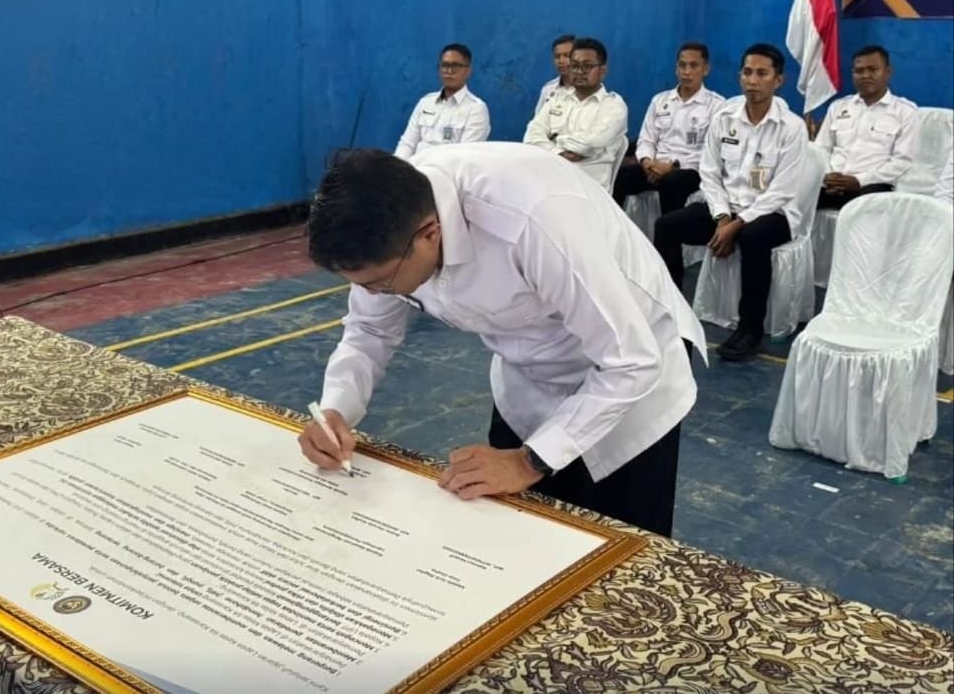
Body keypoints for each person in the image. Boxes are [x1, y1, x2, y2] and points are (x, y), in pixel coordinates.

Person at [299, 142, 706, 537]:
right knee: (518, 537)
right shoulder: (388, 225)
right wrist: (337, 408)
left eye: (381, 284)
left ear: (430, 234)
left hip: (632, 372)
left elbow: (631, 361)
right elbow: (370, 329)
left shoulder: (532, 218)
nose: (372, 294)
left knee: (618, 545)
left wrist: (530, 461)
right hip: (529, 371)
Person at [653, 43, 810, 362]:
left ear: (778, 80)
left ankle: (749, 330)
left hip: (773, 212)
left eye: (762, 73)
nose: (753, 80)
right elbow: (709, 172)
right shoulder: (725, 117)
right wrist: (723, 217)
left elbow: (782, 190)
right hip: (725, 209)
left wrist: (738, 224)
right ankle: (672, 313)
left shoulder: (791, 127)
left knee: (753, 237)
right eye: (747, 72)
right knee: (666, 226)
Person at [612, 43, 725, 215]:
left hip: (690, 170)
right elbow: (646, 139)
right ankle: (615, 228)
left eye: (693, 66)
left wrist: (673, 166)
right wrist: (647, 163)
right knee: (622, 176)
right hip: (654, 166)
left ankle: (665, 231)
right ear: (676, 68)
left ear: (706, 69)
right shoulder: (660, 100)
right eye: (682, 65)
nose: (687, 71)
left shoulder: (717, 105)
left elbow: (710, 152)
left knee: (673, 182)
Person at [814, 46, 919, 209]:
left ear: (888, 72)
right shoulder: (838, 107)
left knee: (865, 205)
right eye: (859, 71)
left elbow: (902, 161)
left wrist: (859, 180)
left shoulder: (905, 111)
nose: (865, 75)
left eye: (873, 69)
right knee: (794, 195)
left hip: (871, 186)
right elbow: (821, 149)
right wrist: (827, 176)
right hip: (831, 183)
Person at [523, 37, 628, 191]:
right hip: (551, 182)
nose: (579, 71)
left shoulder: (614, 106)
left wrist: (554, 139)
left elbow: (586, 145)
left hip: (589, 189)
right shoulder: (556, 99)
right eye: (575, 66)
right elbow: (531, 136)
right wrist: (558, 151)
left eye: (587, 66)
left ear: (602, 71)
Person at [395, 43, 490, 160]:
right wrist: (397, 169)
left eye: (455, 66)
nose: (449, 71)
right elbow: (407, 143)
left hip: (448, 170)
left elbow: (465, 157)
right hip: (415, 168)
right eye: (444, 65)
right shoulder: (425, 102)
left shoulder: (476, 109)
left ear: (468, 71)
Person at [533, 34, 575, 117]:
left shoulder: (589, 91)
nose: (561, 61)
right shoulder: (548, 89)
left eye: (566, 56)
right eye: (557, 56)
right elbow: (538, 120)